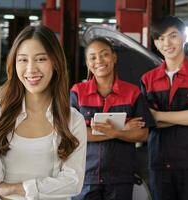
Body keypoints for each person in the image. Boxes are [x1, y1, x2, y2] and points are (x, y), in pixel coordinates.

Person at [0, 25, 87, 200]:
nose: (31, 69)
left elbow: (73, 182)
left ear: (55, 62)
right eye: (23, 60)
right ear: (14, 64)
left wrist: (16, 189)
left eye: (40, 59)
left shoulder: (72, 120)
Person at [140, 16, 188, 200]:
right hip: (160, 163)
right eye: (160, 38)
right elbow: (146, 121)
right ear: (155, 43)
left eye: (173, 36)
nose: (166, 43)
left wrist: (158, 115)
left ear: (184, 37)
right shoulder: (147, 79)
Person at [70, 37, 155, 200]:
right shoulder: (77, 93)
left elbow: (143, 134)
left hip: (120, 177)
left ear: (114, 57)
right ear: (88, 63)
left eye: (104, 54)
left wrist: (106, 132)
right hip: (85, 177)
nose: (99, 61)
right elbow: (72, 133)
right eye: (93, 57)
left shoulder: (133, 93)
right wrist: (120, 130)